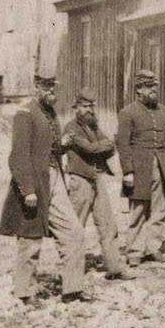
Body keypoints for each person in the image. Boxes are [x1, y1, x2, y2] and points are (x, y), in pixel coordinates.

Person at [0, 71, 91, 304]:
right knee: (30, 239)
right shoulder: (25, 113)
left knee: (74, 232)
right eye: (47, 88)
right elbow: (18, 156)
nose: (52, 92)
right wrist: (27, 189)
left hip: (54, 177)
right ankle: (25, 293)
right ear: (36, 87)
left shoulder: (49, 112)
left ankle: (72, 289)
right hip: (33, 182)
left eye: (54, 88)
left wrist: (62, 145)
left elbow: (47, 147)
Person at [61, 92, 134, 280]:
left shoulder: (93, 126)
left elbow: (109, 147)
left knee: (108, 225)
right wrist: (107, 144)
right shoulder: (71, 128)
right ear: (75, 108)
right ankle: (69, 273)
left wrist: (106, 144)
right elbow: (91, 149)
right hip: (80, 181)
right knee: (75, 228)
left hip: (97, 179)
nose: (88, 110)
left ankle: (115, 268)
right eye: (84, 106)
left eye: (91, 106)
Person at [117, 70, 165, 264]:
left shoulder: (163, 111)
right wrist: (128, 171)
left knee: (160, 209)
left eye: (154, 87)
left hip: (160, 165)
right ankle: (134, 251)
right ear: (138, 89)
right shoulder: (127, 113)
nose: (153, 90)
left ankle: (153, 248)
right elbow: (123, 144)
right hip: (139, 167)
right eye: (148, 87)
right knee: (138, 209)